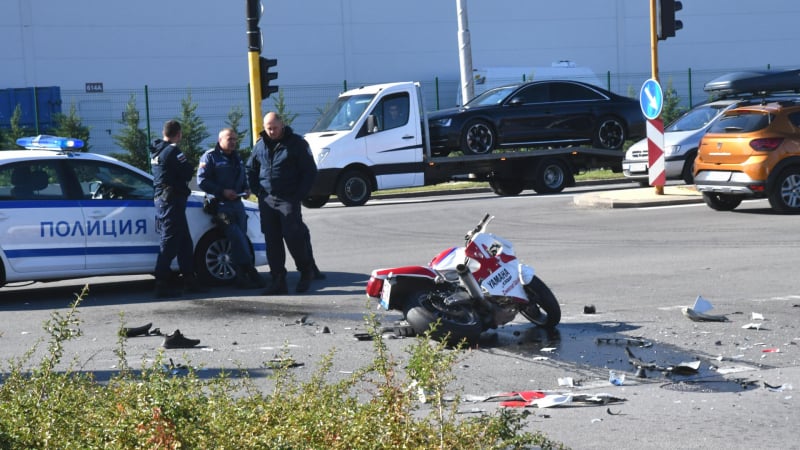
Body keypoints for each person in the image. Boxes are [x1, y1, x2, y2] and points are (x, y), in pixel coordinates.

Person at [247, 112, 323, 295]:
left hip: (288, 199)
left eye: (274, 127)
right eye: (268, 128)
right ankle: (278, 279)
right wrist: (258, 191)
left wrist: (298, 195)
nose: (271, 131)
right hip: (267, 200)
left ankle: (306, 272)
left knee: (294, 237)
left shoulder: (296, 143)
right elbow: (250, 168)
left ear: (282, 125)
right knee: (272, 241)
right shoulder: (260, 145)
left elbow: (309, 171)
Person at [197, 128, 265, 289]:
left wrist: (246, 189)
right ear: (220, 140)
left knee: (239, 238)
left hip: (237, 205)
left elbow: (242, 177)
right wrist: (222, 191)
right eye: (230, 139)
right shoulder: (210, 156)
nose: (233, 142)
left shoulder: (237, 157)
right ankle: (249, 271)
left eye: (235, 139)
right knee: (237, 237)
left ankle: (240, 277)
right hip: (220, 206)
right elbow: (202, 181)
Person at [150, 120, 205, 297]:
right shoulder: (173, 150)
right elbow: (188, 172)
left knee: (184, 241)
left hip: (165, 200)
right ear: (178, 134)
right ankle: (161, 282)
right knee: (170, 240)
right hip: (172, 201)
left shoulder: (156, 151)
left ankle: (189, 279)